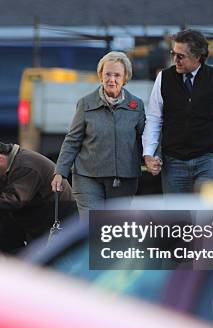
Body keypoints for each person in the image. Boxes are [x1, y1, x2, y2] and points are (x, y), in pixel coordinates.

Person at [142, 29, 213, 193]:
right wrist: (148, 153)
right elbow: (154, 119)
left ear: (198, 56)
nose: (175, 60)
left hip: (208, 161)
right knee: (177, 218)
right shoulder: (163, 78)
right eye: (173, 53)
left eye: (180, 56)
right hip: (173, 162)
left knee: (208, 217)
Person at [51, 51, 145, 215]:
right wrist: (60, 172)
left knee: (114, 229)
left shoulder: (136, 105)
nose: (112, 79)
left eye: (117, 75)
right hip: (87, 176)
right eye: (107, 74)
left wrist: (153, 159)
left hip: (123, 179)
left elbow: (144, 138)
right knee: (91, 227)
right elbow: (72, 140)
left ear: (125, 78)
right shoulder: (85, 104)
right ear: (100, 75)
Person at [0, 137, 77, 251]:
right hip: (38, 220)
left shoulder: (25, 166)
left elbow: (14, 200)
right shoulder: (11, 164)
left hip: (57, 224)